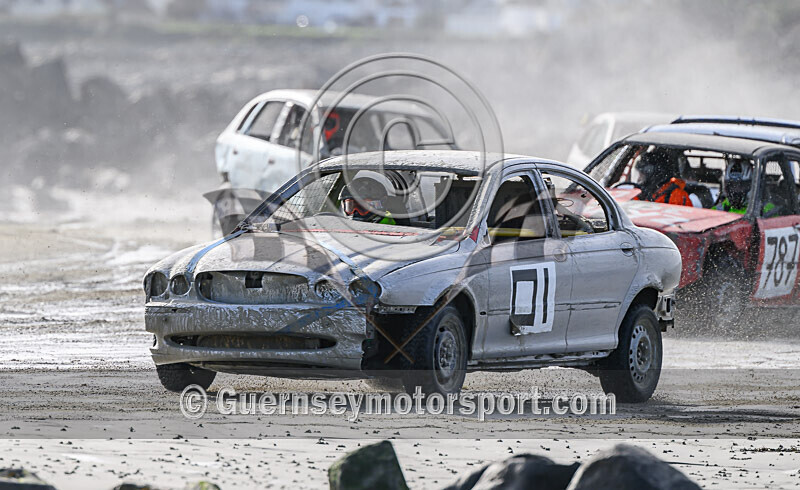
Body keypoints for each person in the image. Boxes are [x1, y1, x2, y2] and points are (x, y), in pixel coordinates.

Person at [634, 151, 698, 207]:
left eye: (642, 175)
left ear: (654, 175)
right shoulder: (638, 193)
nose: (639, 179)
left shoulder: (677, 196)